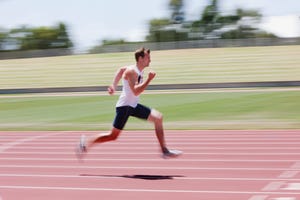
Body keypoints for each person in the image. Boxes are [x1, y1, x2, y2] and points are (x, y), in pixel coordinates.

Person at [77, 47, 182, 159]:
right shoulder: (132, 72)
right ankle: (85, 144)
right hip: (125, 107)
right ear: (141, 58)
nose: (150, 60)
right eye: (148, 57)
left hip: (133, 106)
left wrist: (114, 85)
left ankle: (164, 151)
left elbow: (121, 70)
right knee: (112, 136)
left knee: (158, 118)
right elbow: (136, 91)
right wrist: (149, 80)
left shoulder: (134, 69)